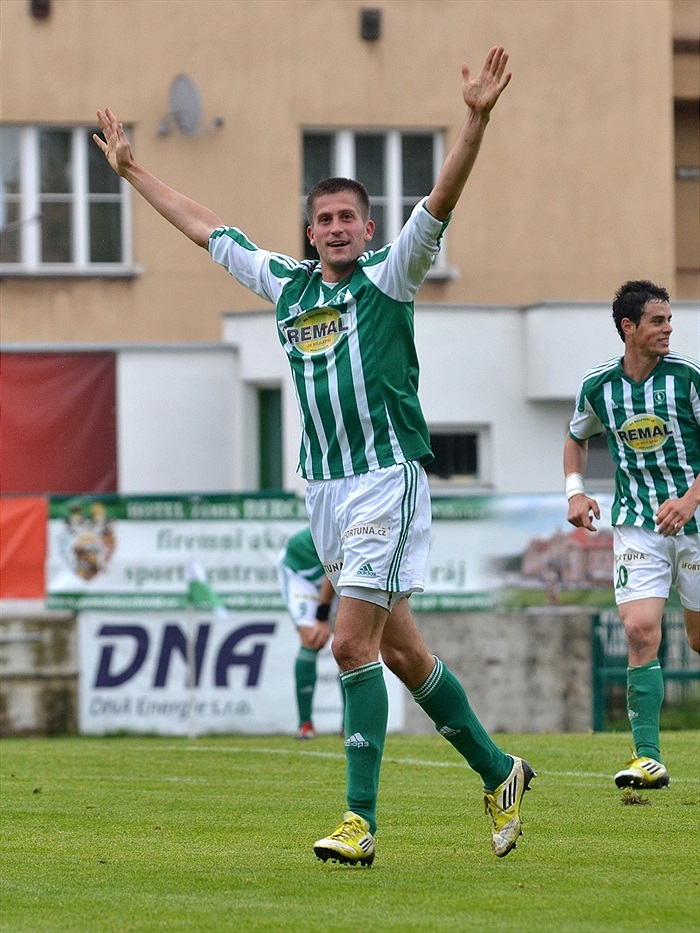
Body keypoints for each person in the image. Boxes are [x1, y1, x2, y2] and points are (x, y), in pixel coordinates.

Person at [94, 46, 536, 866]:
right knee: (402, 652)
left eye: (348, 219)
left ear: (369, 228)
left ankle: (359, 821)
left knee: (347, 644)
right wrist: (133, 172)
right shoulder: (287, 286)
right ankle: (500, 769)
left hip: (385, 481)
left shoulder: (392, 274)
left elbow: (442, 196)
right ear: (311, 230)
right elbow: (203, 227)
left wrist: (474, 120)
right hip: (325, 493)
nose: (336, 229)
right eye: (324, 219)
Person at [564, 280, 700, 789]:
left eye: (669, 320)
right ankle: (648, 757)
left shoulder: (688, 377)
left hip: (695, 522)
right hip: (638, 525)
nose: (669, 329)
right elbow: (575, 440)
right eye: (658, 321)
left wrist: (688, 501)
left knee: (697, 639)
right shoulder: (598, 386)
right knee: (640, 630)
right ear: (629, 328)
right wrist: (576, 493)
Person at [277, 526, 339, 739]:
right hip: (300, 569)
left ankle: (350, 725)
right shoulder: (349, 523)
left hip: (336, 573)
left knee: (351, 643)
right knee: (313, 638)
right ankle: (305, 724)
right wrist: (322, 616)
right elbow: (334, 565)